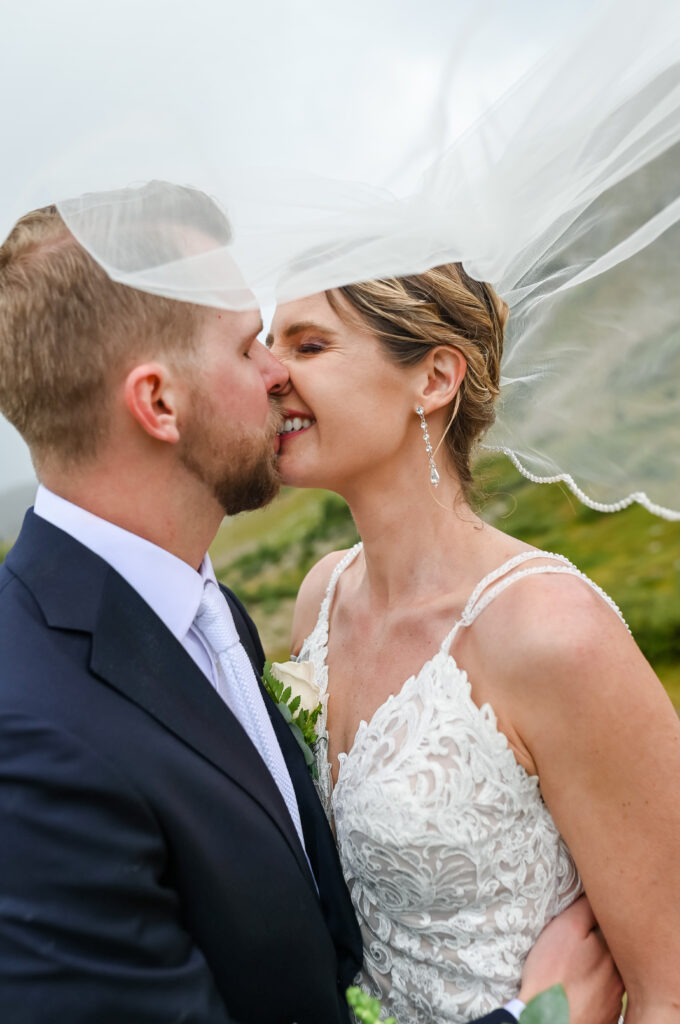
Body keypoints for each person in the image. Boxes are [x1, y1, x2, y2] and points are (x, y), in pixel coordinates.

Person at [0, 205, 623, 1024]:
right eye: (249, 343)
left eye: (303, 344)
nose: (273, 374)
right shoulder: (35, 739)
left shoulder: (205, 612)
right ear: (157, 402)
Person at [268, 265, 680, 1023]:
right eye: (268, 344)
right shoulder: (320, 599)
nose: (270, 373)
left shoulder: (552, 633)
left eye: (309, 345)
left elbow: (669, 988)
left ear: (434, 377)